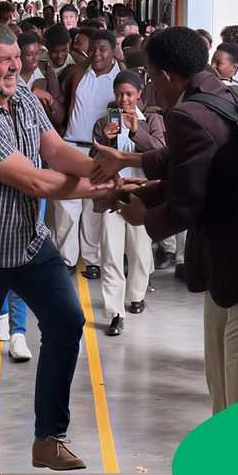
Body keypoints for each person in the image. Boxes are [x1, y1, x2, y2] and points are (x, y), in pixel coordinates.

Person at [0, 20, 111, 475]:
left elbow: (55, 152)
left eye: (16, 56)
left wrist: (101, 167)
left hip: (26, 240)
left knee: (67, 321)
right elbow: (35, 180)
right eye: (4, 59)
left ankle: (48, 439)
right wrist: (101, 187)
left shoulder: (22, 102)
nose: (17, 65)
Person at [92, 26, 238, 413]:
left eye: (148, 75)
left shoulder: (188, 113)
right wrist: (130, 161)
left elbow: (185, 205)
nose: (147, 85)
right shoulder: (226, 91)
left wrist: (142, 215)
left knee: (237, 380)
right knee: (222, 371)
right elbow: (188, 156)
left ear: (165, 75)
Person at [89, 70, 165, 336]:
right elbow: (93, 161)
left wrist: (136, 131)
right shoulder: (102, 123)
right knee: (110, 254)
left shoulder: (153, 120)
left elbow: (159, 151)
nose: (124, 99)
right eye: (119, 94)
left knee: (141, 253)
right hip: (113, 195)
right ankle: (114, 312)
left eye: (129, 94)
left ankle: (136, 295)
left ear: (139, 95)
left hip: (142, 196)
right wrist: (108, 138)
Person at [54, 29, 120, 278]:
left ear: (113, 50)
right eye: (92, 48)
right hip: (71, 145)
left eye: (102, 49)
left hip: (100, 150)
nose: (96, 54)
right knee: (66, 205)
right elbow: (61, 102)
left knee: (94, 206)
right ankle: (67, 258)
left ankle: (92, 259)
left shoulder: (120, 76)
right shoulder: (78, 72)